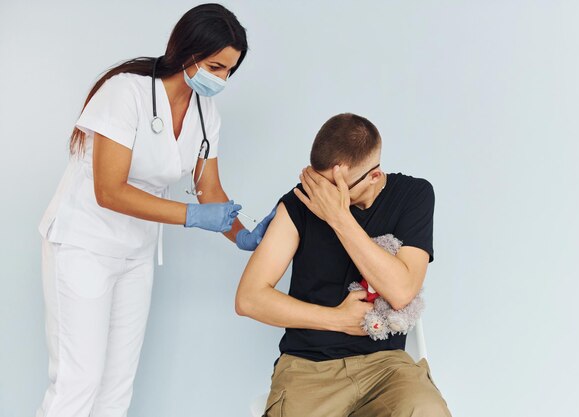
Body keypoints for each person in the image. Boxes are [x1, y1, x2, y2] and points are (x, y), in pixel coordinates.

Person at [36, 4, 275, 417]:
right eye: (215, 67)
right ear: (187, 52)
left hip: (136, 252)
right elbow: (109, 191)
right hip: (83, 245)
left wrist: (243, 235)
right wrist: (191, 216)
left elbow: (210, 189)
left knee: (117, 386)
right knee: (78, 381)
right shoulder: (125, 93)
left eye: (228, 72)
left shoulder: (206, 112)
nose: (221, 80)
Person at [236, 113, 452, 416]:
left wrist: (339, 218)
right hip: (308, 367)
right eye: (318, 182)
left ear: (373, 176)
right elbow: (249, 298)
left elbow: (402, 291)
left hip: (386, 368)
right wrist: (338, 319)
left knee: (427, 411)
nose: (321, 195)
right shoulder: (300, 202)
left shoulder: (414, 195)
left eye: (335, 188)